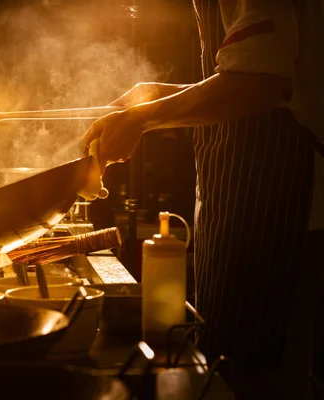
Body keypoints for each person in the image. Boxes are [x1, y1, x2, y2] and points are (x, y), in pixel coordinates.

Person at [82, 1, 324, 398]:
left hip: (282, 200)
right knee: (226, 363)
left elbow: (262, 83)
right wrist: (158, 98)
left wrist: (145, 117)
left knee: (260, 375)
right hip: (235, 201)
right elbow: (244, 72)